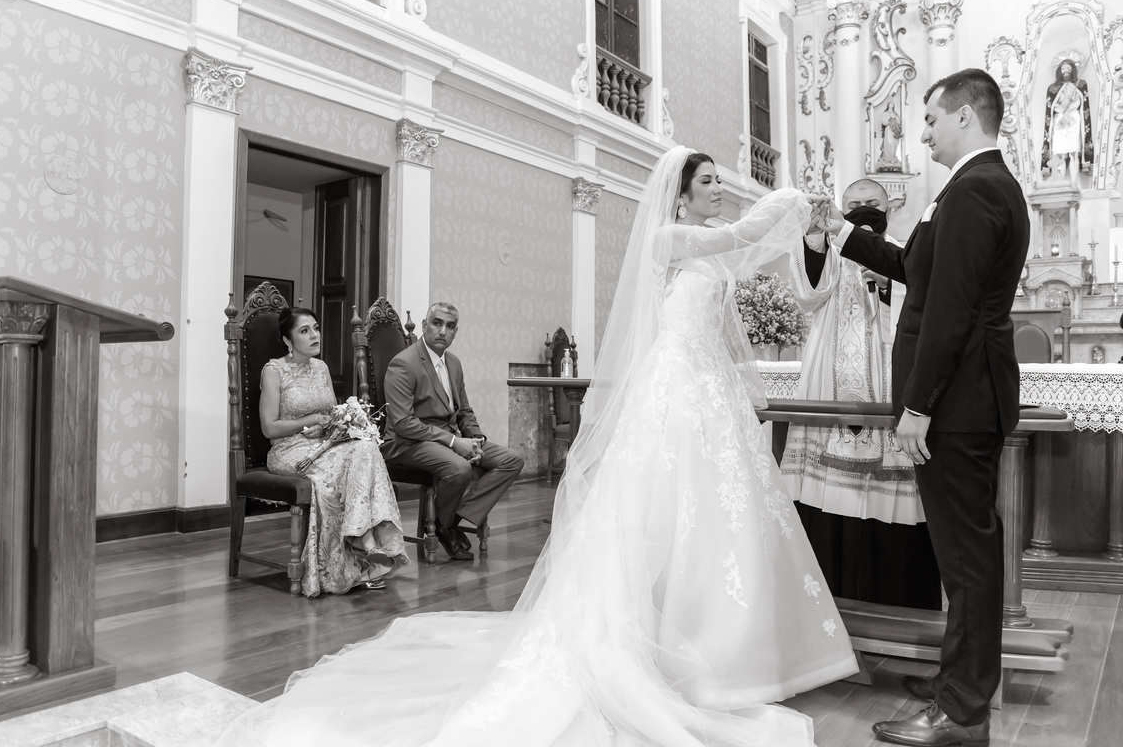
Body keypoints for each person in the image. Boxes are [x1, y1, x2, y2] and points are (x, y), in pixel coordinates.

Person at [218, 148, 857, 747]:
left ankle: (734, 647)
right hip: (676, 390)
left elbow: (760, 267)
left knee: (717, 514)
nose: (719, 189)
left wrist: (811, 240)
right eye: (708, 181)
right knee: (667, 507)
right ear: (681, 196)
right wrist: (790, 198)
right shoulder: (670, 238)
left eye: (720, 180)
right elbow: (742, 233)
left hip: (707, 390)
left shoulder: (712, 252)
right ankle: (660, 639)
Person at [823, 68, 1029, 746]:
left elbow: (950, 309)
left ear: (966, 115)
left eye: (933, 119)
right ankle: (957, 683)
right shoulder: (972, 187)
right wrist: (842, 233)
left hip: (958, 401)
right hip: (963, 396)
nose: (923, 133)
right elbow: (918, 271)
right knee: (961, 555)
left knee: (967, 558)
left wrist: (918, 405)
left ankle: (962, 712)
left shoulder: (976, 190)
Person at [782, 178, 941, 610]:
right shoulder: (828, 250)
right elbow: (807, 295)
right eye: (853, 204)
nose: (863, 209)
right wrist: (814, 238)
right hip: (829, 379)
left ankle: (898, 602)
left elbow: (927, 304)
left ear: (889, 209)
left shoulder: (904, 251)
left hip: (892, 372)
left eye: (872, 203)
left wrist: (890, 284)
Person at [259, 307, 409, 595]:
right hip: (289, 450)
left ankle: (363, 542)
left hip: (323, 444)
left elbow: (330, 414)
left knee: (365, 447)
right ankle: (362, 548)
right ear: (288, 340)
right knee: (344, 468)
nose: (314, 335)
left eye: (316, 328)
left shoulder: (321, 368)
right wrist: (311, 420)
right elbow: (269, 428)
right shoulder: (274, 371)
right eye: (304, 331)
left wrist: (329, 426)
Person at [380, 301, 524, 560]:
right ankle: (447, 525)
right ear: (424, 325)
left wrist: (475, 438)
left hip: (446, 439)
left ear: (456, 331)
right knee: (459, 468)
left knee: (512, 460)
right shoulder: (403, 363)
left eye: (450, 326)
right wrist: (454, 443)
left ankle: (449, 519)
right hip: (406, 443)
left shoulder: (454, 364)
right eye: (437, 324)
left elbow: (464, 410)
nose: (443, 331)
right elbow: (403, 423)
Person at [1042, 59, 1093, 181]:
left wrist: (1070, 110)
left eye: (1068, 68)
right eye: (1063, 68)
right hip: (1060, 120)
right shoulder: (1052, 88)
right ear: (1059, 71)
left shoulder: (1081, 84)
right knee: (1060, 155)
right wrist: (1062, 112)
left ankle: (1074, 184)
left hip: (1074, 119)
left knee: (1074, 153)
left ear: (1072, 70)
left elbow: (1082, 102)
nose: (1066, 71)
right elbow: (1051, 105)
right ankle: (1061, 184)